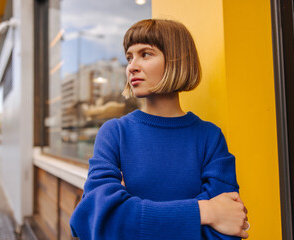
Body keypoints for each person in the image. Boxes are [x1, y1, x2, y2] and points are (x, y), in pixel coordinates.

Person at [70, 19, 249, 240]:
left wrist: (130, 215)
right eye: (129, 57)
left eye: (146, 54)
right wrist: (205, 211)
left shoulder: (209, 138)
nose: (132, 66)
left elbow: (226, 230)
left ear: (176, 60)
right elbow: (97, 221)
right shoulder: (114, 133)